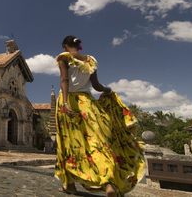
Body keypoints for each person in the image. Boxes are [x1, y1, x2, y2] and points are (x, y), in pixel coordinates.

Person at [55, 36, 146, 197]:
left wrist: (65, 103)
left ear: (65, 46)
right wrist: (108, 90)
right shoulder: (91, 60)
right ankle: (108, 183)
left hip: (69, 102)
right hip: (88, 104)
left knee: (68, 144)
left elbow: (64, 80)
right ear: (78, 45)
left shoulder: (64, 58)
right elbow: (97, 86)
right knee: (98, 143)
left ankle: (70, 185)